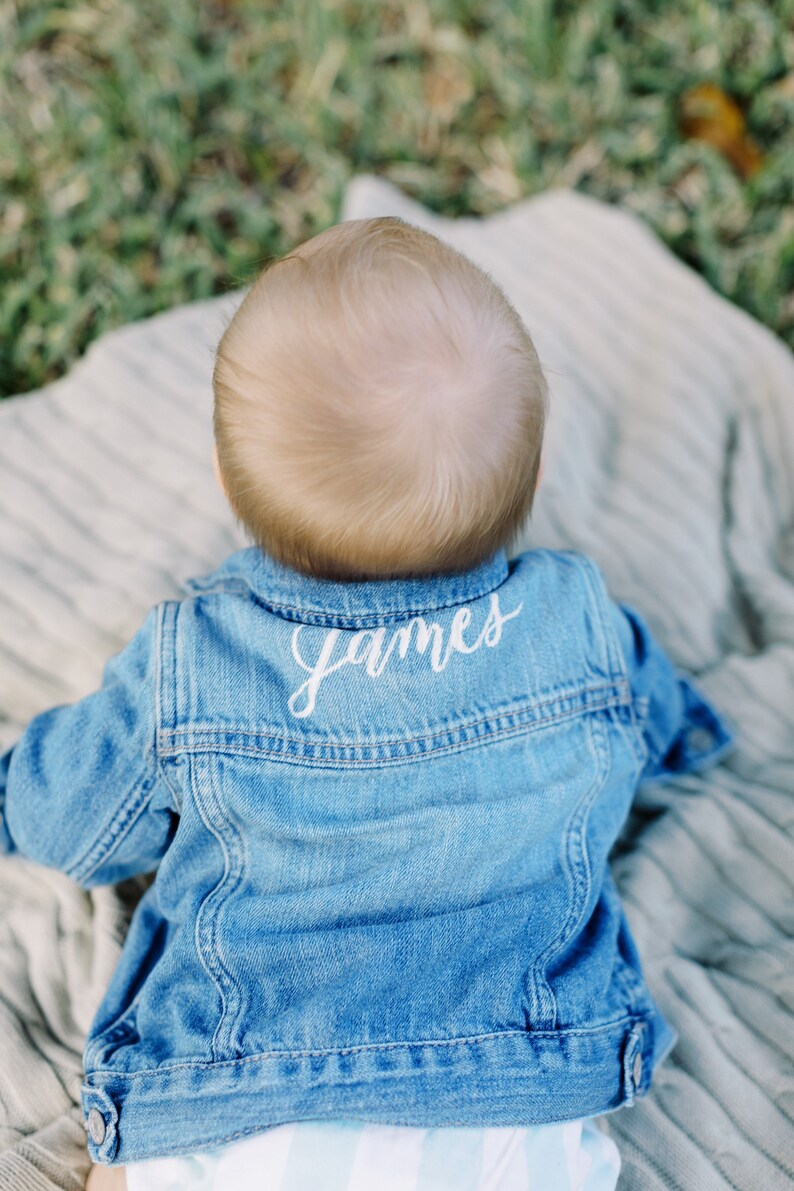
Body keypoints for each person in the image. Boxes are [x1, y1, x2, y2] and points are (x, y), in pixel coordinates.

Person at [0, 218, 733, 1190]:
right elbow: (655, 723)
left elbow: (74, 820)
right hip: (517, 1099)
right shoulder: (580, 623)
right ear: (535, 476)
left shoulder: (194, 663)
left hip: (240, 1094)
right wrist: (688, 733)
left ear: (226, 484)